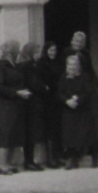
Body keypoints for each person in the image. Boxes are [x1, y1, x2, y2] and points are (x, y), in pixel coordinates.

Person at [0, 40, 29, 175]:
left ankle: (9, 163)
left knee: (14, 132)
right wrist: (17, 92)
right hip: (4, 104)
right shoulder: (0, 65)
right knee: (5, 133)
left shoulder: (14, 65)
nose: (18, 52)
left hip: (16, 103)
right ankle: (1, 164)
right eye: (16, 49)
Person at [59, 54, 98, 169]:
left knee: (87, 134)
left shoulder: (84, 77)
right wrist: (67, 101)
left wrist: (77, 99)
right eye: (70, 64)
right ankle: (72, 159)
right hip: (69, 108)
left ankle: (94, 158)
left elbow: (87, 91)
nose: (72, 67)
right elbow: (60, 92)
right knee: (70, 135)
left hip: (82, 109)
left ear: (78, 66)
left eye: (75, 64)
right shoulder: (63, 77)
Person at [18, 42, 48, 170]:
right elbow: (34, 83)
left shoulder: (29, 64)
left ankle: (30, 160)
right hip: (31, 102)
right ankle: (28, 161)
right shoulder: (28, 65)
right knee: (31, 132)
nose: (38, 55)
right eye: (36, 52)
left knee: (31, 132)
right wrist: (44, 87)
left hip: (30, 102)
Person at [36, 40, 64, 168]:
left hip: (57, 99)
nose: (53, 53)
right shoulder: (42, 63)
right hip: (47, 100)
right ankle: (50, 159)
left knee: (58, 129)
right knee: (50, 130)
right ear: (46, 51)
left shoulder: (58, 63)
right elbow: (41, 80)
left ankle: (58, 157)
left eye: (55, 50)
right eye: (51, 50)